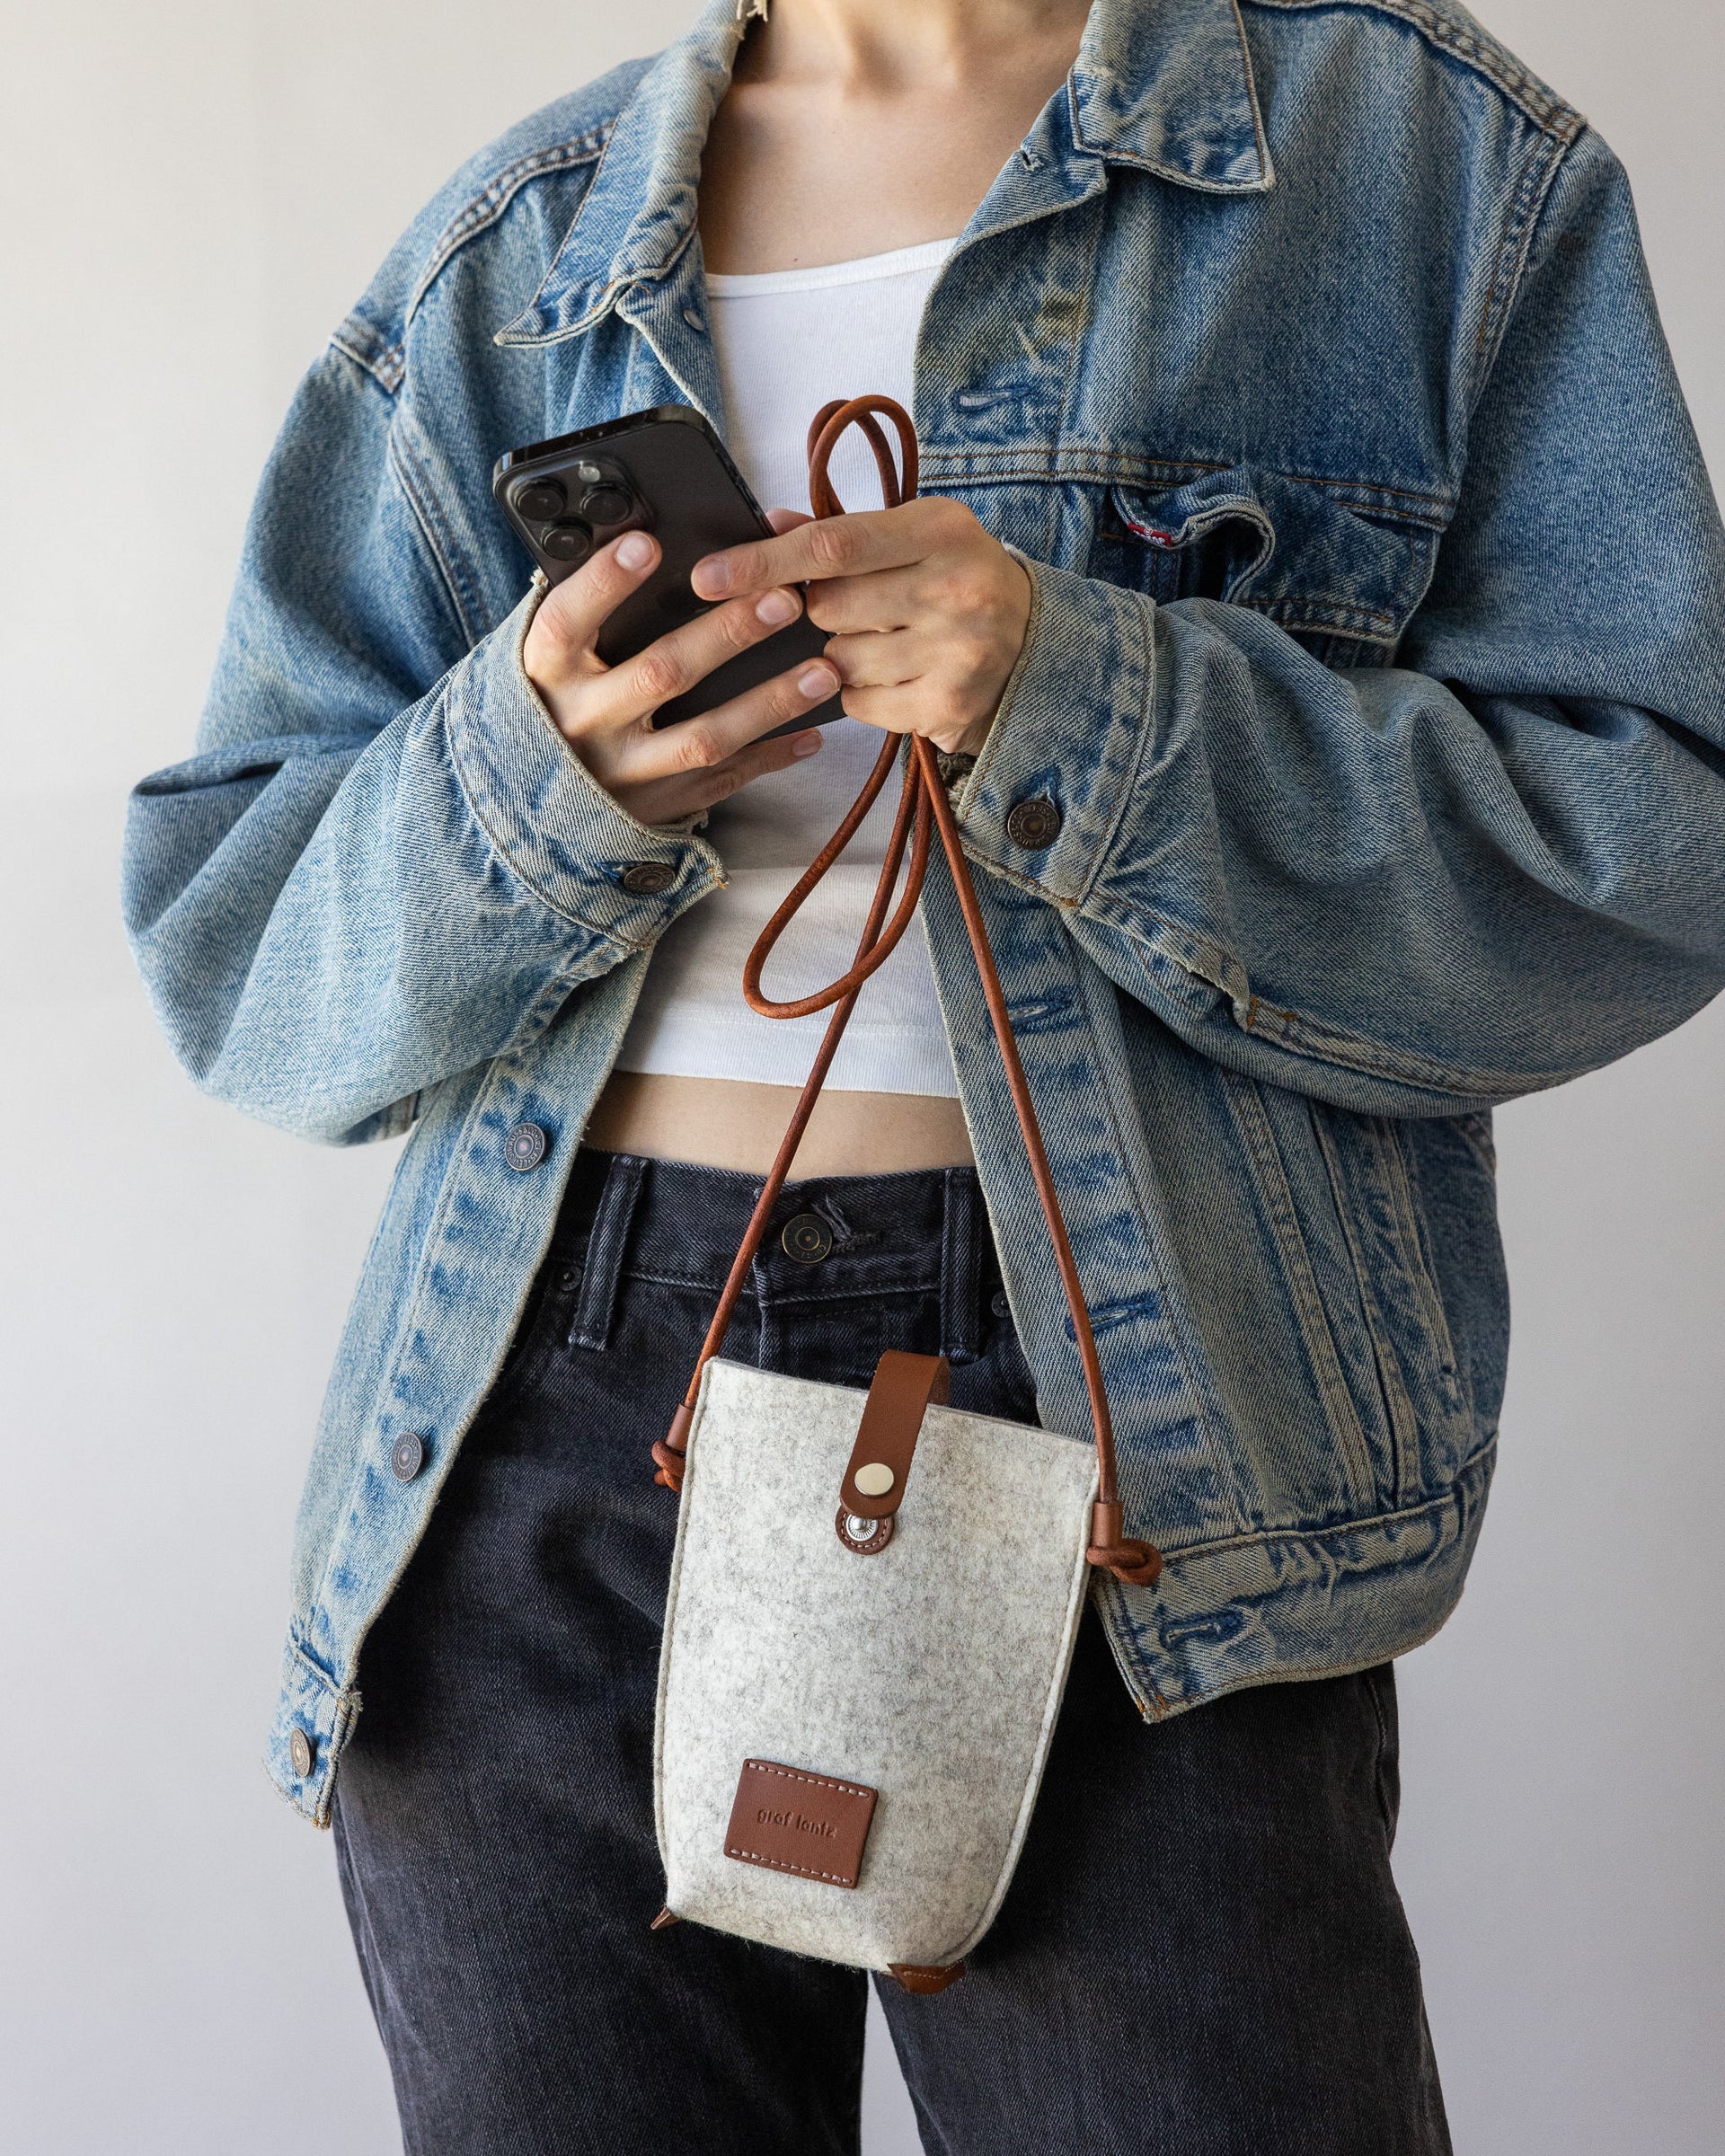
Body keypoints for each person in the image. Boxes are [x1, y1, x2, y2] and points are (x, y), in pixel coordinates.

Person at [122, 0, 1725, 2148]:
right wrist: (533, 773)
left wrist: (1085, 694)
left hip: (1133, 1419)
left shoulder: (1421, 167)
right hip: (540, 1409)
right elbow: (241, 958)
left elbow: (1652, 854)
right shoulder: (526, 247)